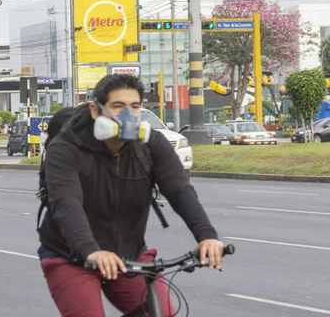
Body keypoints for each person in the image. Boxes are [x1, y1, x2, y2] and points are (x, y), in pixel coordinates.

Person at [37, 74, 224, 317]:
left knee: (162, 313)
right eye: (117, 106)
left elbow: (179, 190)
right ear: (96, 111)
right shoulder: (65, 148)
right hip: (71, 255)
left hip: (129, 254)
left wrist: (207, 236)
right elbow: (67, 205)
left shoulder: (152, 144)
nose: (128, 115)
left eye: (134, 107)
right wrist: (90, 250)